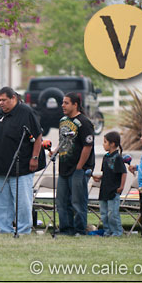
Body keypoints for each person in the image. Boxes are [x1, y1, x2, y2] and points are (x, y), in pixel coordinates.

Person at [0, 87, 44, 235]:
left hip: (21, 166)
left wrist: (35, 157)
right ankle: (3, 229)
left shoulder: (26, 113)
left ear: (13, 98)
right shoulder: (0, 113)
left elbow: (38, 136)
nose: (1, 103)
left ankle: (23, 230)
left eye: (4, 100)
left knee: (22, 202)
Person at [51, 92, 95, 236]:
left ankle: (79, 230)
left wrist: (79, 167)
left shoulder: (84, 122)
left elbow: (87, 146)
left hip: (78, 169)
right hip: (64, 167)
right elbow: (64, 141)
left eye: (66, 103)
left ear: (75, 105)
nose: (62, 105)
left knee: (78, 202)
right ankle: (66, 229)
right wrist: (55, 151)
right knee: (62, 202)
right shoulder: (63, 120)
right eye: (62, 102)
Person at [92, 131, 126, 237]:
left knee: (113, 213)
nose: (103, 144)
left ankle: (117, 232)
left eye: (105, 142)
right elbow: (106, 173)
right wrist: (99, 177)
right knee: (104, 213)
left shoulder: (118, 158)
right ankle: (107, 231)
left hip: (113, 190)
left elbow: (123, 173)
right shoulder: (105, 157)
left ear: (112, 143)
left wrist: (121, 187)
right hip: (104, 189)